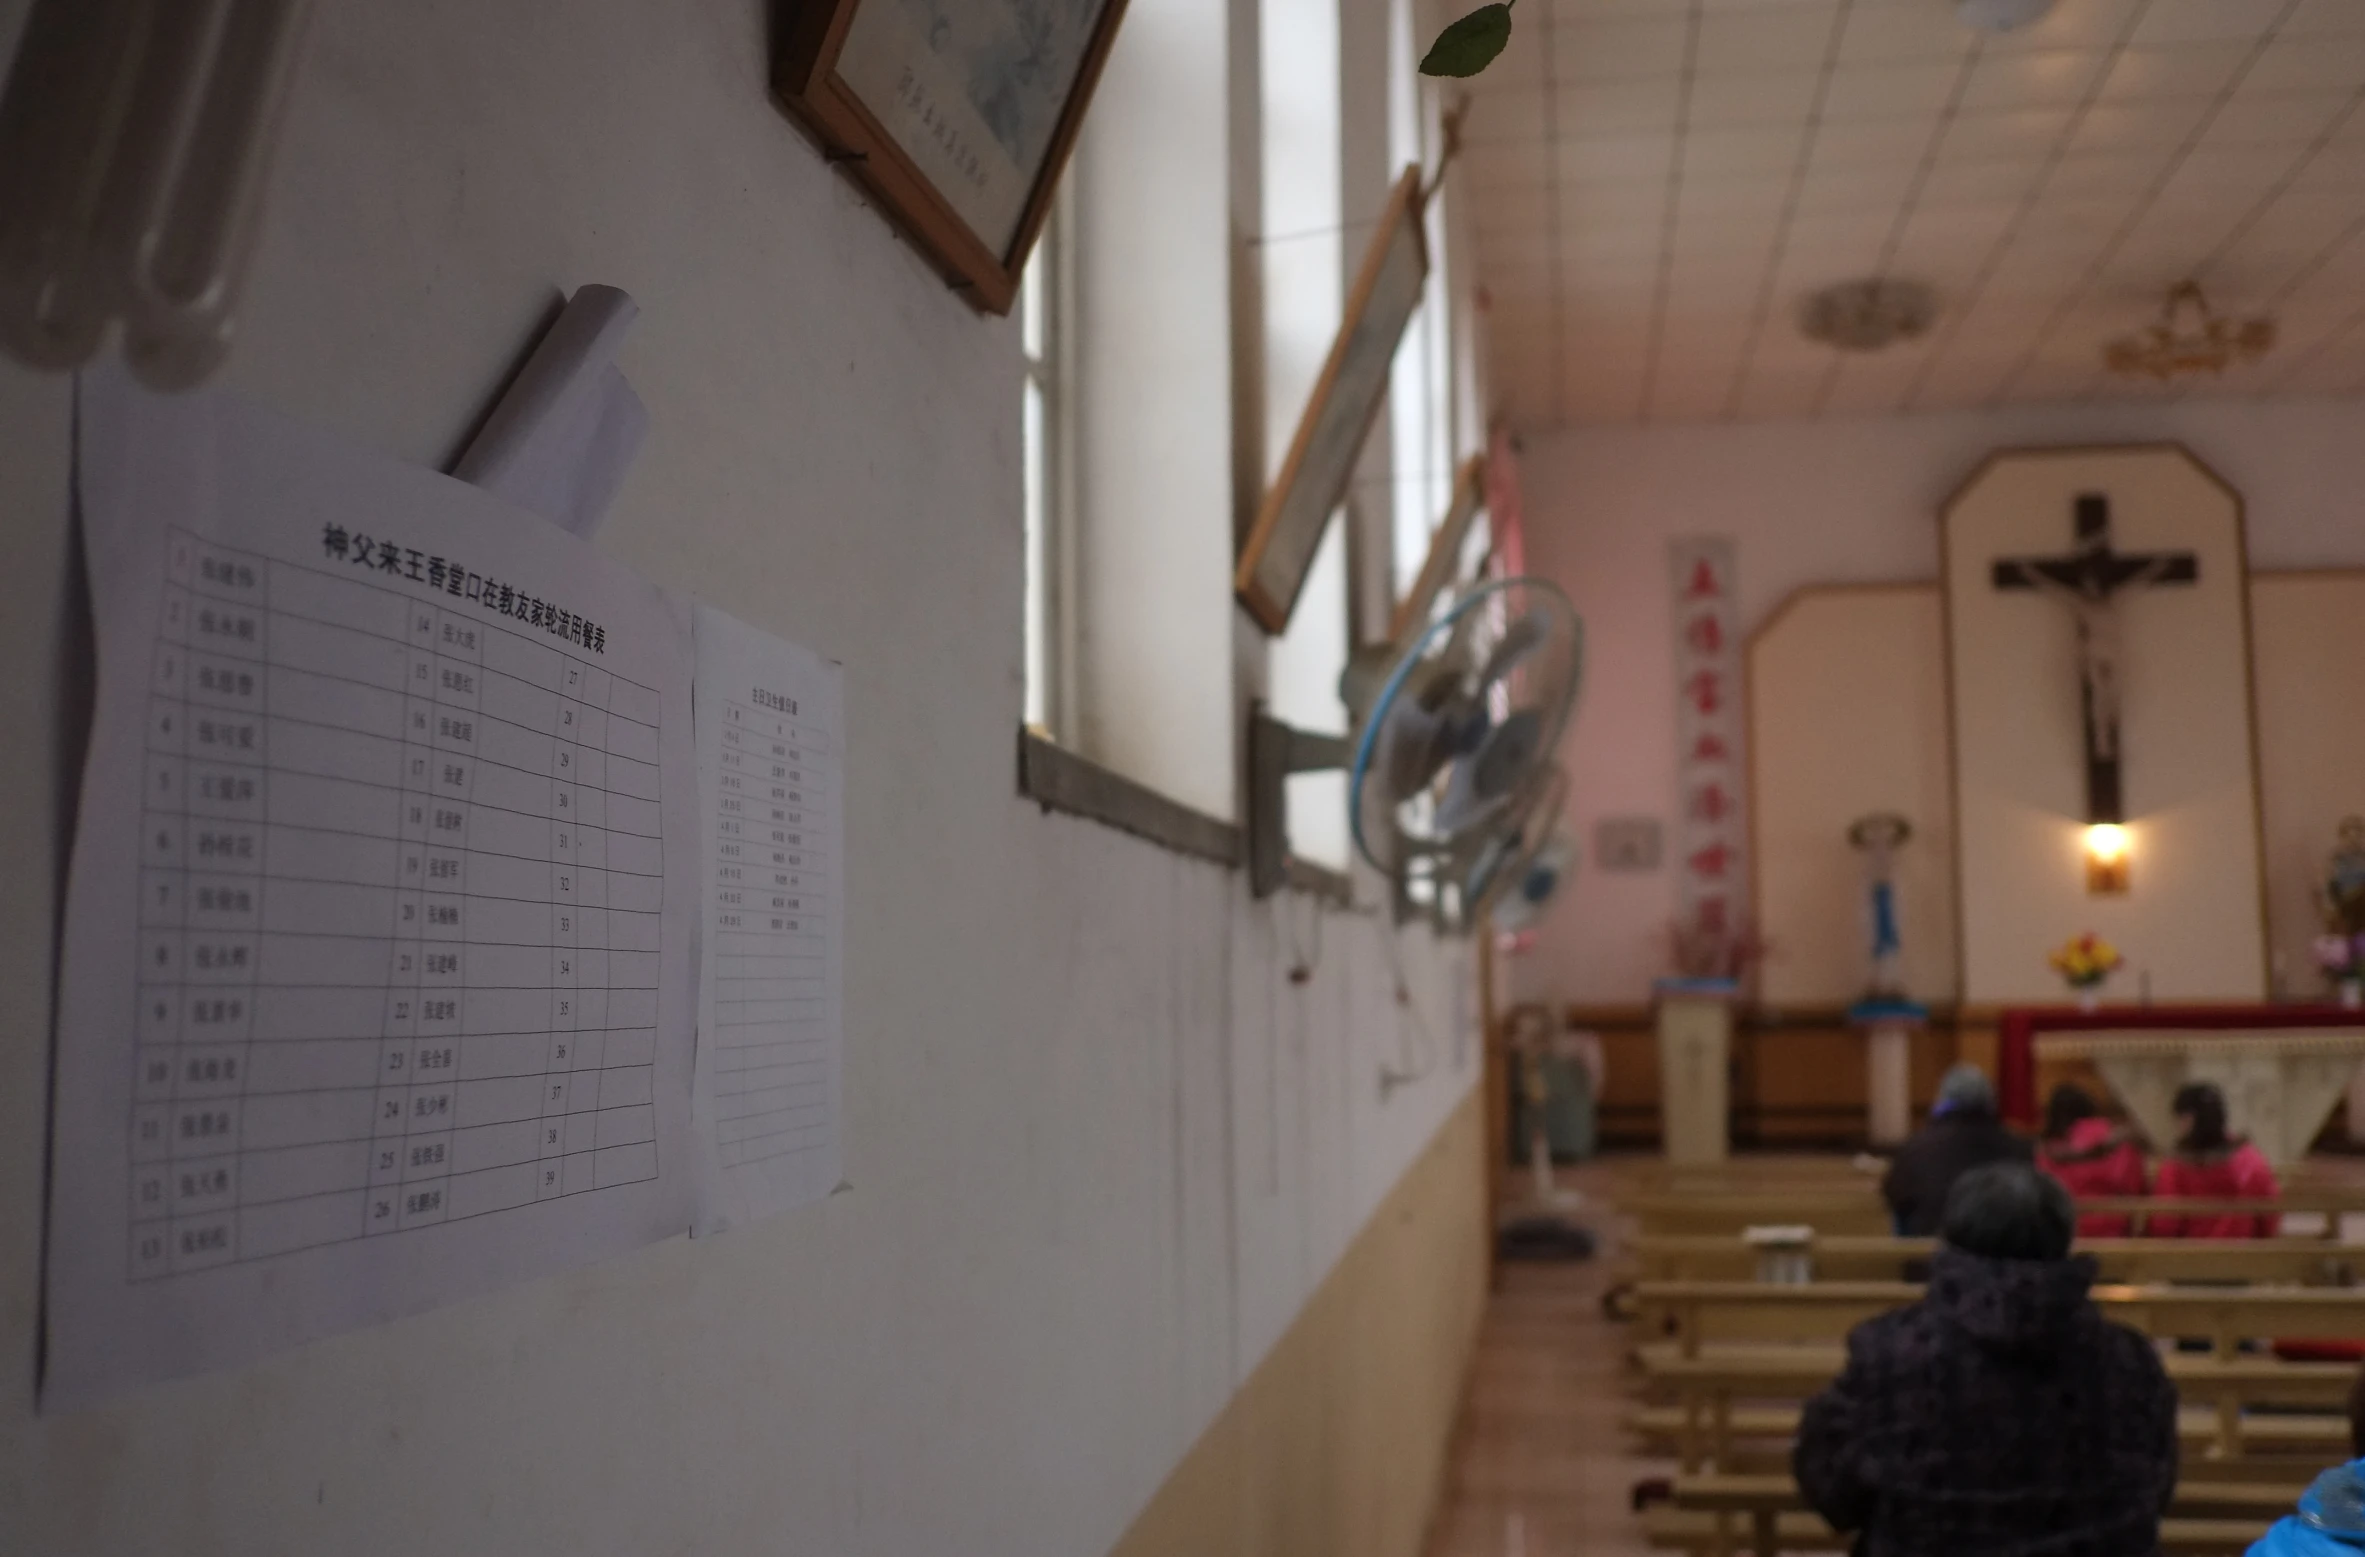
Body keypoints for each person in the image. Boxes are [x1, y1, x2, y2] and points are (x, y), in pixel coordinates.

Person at [1796, 1163, 2179, 1556]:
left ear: (1952, 1239)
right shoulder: (2128, 1361)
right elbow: (2155, 1489)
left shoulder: (1886, 1354)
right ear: (2063, 1242)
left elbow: (1833, 1494)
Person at [1880, 1063, 2032, 1237]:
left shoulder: (1917, 1148)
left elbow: (1893, 1196)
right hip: (2002, 1255)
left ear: (1942, 1100)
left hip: (1931, 1256)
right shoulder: (2017, 1147)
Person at [2149, 1080, 2280, 1238]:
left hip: (2189, 1258)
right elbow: (2269, 1217)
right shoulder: (2250, 1159)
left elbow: (2165, 1224)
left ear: (2189, 1119)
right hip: (2245, 1255)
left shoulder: (2176, 1166)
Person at [2036, 1083, 2147, 1238]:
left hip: (2060, 1235)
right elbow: (2133, 1188)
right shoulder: (2116, 1138)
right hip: (2113, 1233)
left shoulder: (2043, 1149)